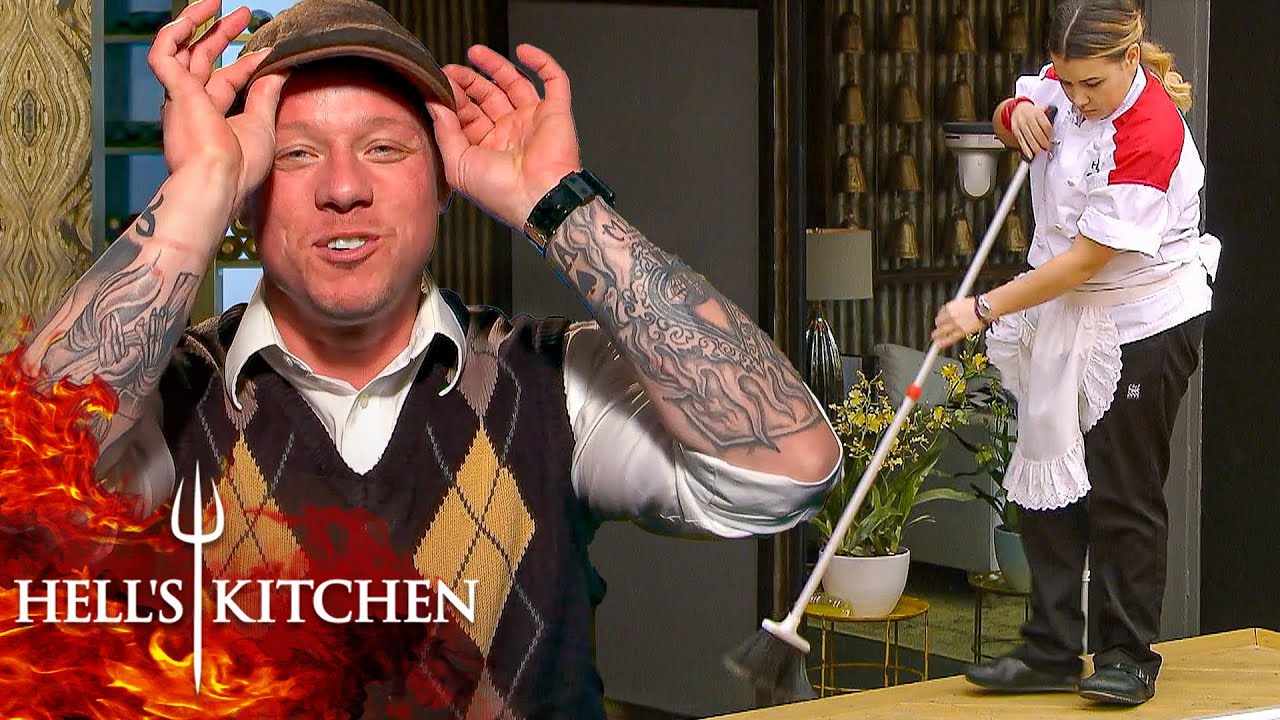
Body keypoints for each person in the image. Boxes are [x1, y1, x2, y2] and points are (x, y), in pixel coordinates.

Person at [19, 0, 841, 715]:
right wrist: (199, 185)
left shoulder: (554, 382)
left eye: (384, 148)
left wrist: (561, 208)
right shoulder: (169, 402)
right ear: (249, 189)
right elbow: (23, 510)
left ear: (445, 179)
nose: (344, 188)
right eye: (296, 153)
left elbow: (784, 470)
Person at [931, 0, 1220, 707]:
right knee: (1045, 474)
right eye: (1067, 81)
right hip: (1065, 311)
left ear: (1130, 59)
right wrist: (1014, 116)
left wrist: (984, 308)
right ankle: (1050, 649)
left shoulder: (1151, 133)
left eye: (1091, 83)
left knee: (1122, 486)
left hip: (1142, 318)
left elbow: (1089, 260)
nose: (1077, 97)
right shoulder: (1064, 87)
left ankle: (1126, 656)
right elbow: (1018, 114)